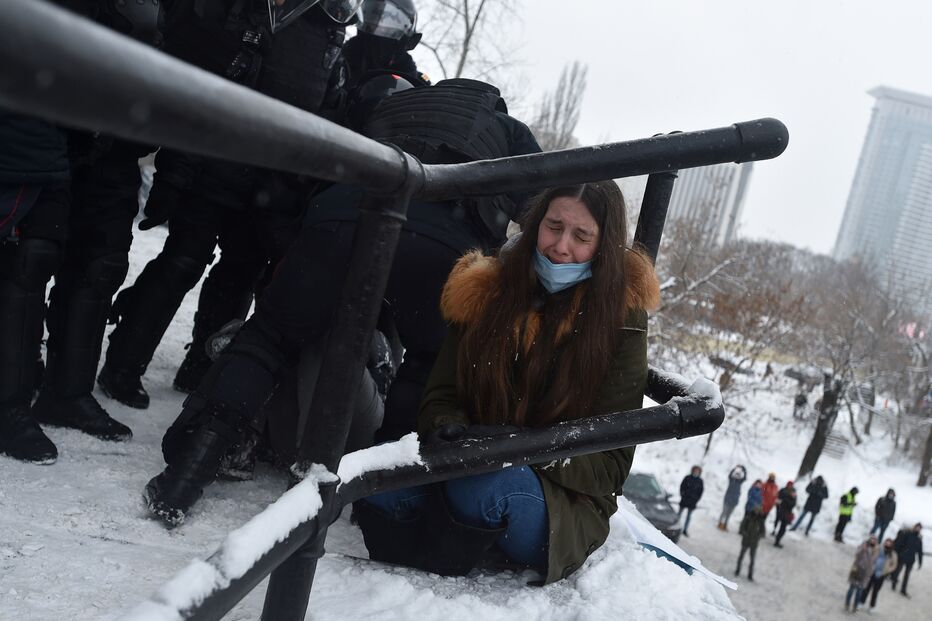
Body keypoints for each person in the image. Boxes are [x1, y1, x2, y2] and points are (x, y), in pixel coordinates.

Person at [142, 77, 542, 525]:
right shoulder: (505, 127)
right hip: (441, 242)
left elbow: (317, 148)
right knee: (430, 361)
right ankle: (379, 494)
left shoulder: (392, 106)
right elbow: (544, 203)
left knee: (270, 337)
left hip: (343, 216)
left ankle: (188, 471)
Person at [353, 181, 661, 582]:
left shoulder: (622, 317)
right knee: (377, 485)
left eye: (581, 236)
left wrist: (526, 448)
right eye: (553, 226)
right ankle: (452, 537)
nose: (561, 246)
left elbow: (611, 464)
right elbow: (442, 391)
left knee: (483, 489)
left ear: (604, 245)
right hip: (468, 457)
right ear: (536, 224)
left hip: (560, 493)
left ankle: (461, 536)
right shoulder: (489, 287)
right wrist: (448, 427)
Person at [98, 0, 350, 407]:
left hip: (270, 179)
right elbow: (210, 79)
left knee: (238, 275)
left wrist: (294, 190)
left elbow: (323, 113)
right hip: (215, 160)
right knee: (183, 261)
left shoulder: (330, 30)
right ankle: (124, 363)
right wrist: (178, 170)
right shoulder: (249, 12)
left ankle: (202, 365)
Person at [859, 537, 897, 611]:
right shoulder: (878, 548)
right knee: (866, 588)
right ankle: (861, 602)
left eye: (889, 543)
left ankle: (872, 606)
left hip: (881, 575)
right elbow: (870, 553)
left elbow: (894, 565)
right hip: (872, 571)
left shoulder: (893, 554)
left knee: (875, 591)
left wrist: (886, 570)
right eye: (886, 542)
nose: (887, 544)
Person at [846, 536, 878, 613]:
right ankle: (847, 604)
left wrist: (870, 573)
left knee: (859, 592)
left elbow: (873, 563)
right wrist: (863, 549)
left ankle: (855, 606)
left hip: (865, 574)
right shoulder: (863, 546)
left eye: (874, 540)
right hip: (857, 570)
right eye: (872, 539)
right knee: (851, 589)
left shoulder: (876, 551)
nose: (873, 541)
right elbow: (856, 555)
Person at [891, 523, 923, 597]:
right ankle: (894, 582)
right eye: (917, 527)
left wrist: (920, 562)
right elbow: (900, 543)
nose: (918, 529)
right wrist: (898, 554)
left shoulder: (919, 538)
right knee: (898, 571)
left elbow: (920, 551)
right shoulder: (908, 533)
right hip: (903, 556)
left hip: (911, 559)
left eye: (919, 528)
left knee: (907, 575)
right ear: (914, 527)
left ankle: (903, 589)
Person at [735, 507, 766, 581]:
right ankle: (737, 570)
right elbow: (742, 528)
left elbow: (763, 532)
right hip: (746, 541)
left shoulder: (761, 521)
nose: (757, 512)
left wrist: (758, 537)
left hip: (754, 543)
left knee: (752, 560)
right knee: (741, 557)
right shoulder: (748, 518)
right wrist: (745, 534)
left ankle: (750, 574)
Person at [718, 464, 747, 531]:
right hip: (727, 499)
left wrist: (743, 469)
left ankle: (725, 525)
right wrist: (735, 468)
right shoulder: (731, 480)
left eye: (738, 475)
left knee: (729, 514)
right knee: (724, 512)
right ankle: (720, 523)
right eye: (736, 474)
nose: (737, 476)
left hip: (734, 500)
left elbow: (744, 478)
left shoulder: (739, 482)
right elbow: (730, 475)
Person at [678, 465, 704, 537]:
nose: (696, 472)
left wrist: (696, 499)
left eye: (698, 471)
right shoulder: (687, 478)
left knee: (688, 516)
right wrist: (682, 494)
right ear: (692, 470)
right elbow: (682, 486)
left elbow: (700, 491)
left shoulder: (700, 481)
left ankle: (685, 530)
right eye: (695, 471)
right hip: (684, 500)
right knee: (679, 514)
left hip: (692, 502)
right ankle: (676, 527)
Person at [772, 480, 796, 547]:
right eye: (789, 485)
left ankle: (777, 540)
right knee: (779, 524)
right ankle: (775, 533)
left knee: (783, 527)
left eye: (791, 485)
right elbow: (778, 499)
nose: (790, 486)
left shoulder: (793, 492)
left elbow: (793, 504)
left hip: (786, 513)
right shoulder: (783, 491)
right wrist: (778, 506)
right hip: (781, 511)